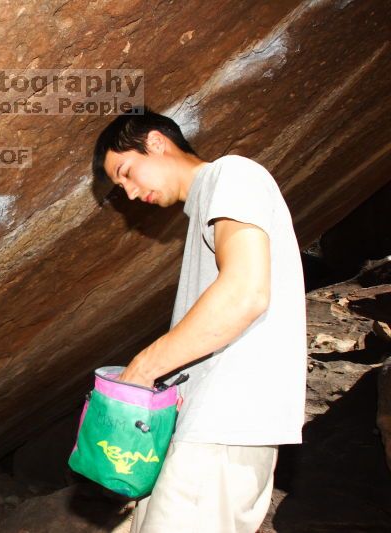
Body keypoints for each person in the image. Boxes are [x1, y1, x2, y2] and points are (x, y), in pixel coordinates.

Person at [91, 108, 307, 532]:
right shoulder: (206, 210)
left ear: (155, 142)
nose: (131, 194)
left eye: (128, 173)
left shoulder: (233, 174)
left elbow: (245, 294)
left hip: (223, 425)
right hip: (201, 429)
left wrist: (141, 371)